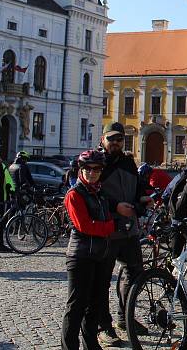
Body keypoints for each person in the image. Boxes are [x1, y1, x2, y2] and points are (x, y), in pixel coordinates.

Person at [96, 122, 152, 347]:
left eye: (120, 139)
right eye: (112, 139)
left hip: (128, 229)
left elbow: (137, 187)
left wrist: (142, 197)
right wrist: (115, 206)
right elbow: (92, 194)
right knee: (101, 281)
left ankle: (124, 317)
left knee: (134, 273)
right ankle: (103, 327)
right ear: (103, 140)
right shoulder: (96, 163)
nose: (116, 143)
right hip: (107, 229)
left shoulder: (129, 162)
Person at [61, 150, 116, 350]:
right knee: (76, 307)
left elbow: (105, 218)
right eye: (88, 169)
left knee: (95, 305)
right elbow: (85, 226)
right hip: (81, 255)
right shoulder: (74, 194)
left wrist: (105, 225)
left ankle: (91, 345)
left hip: (100, 255)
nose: (92, 173)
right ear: (80, 170)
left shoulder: (100, 192)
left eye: (97, 169)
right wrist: (108, 228)